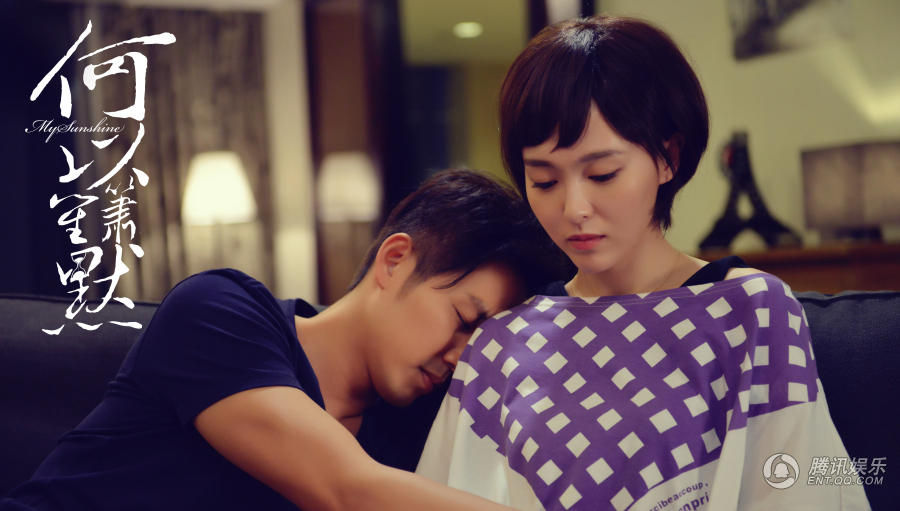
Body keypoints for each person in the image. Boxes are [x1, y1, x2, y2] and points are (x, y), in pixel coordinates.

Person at [416, 16, 869, 511]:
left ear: (668, 157)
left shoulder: (752, 309)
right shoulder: (501, 344)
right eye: (544, 181)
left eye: (603, 174)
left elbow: (804, 482)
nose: (573, 208)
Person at [2, 169, 565, 511]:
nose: (463, 356)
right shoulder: (219, 313)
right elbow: (347, 490)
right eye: (463, 318)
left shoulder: (413, 428)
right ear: (395, 261)